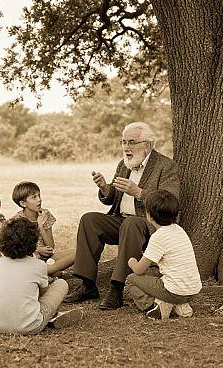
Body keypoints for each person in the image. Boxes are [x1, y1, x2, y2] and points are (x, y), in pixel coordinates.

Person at [65, 121, 180, 310]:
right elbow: (112, 198)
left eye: (131, 142)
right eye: (123, 142)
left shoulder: (165, 166)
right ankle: (87, 285)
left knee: (132, 224)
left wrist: (139, 192)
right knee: (89, 219)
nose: (126, 147)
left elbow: (171, 201)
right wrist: (104, 187)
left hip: (148, 224)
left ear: (148, 145)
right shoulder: (124, 164)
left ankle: (117, 289)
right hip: (121, 220)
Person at [0, 217, 83, 335]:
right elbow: (43, 293)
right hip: (29, 325)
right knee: (61, 284)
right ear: (33, 242)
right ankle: (49, 316)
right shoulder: (38, 265)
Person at [126, 190, 202, 319]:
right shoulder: (179, 230)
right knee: (155, 275)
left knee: (131, 279)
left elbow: (139, 270)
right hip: (193, 290)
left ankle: (155, 306)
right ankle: (180, 305)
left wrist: (131, 261)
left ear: (149, 216)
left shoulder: (158, 236)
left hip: (174, 291)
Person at [12, 181, 75, 275]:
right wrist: (37, 250)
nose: (39, 200)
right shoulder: (17, 220)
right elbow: (16, 247)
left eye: (39, 195)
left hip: (48, 258)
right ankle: (49, 271)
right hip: (29, 259)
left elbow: (50, 246)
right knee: (46, 266)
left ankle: (49, 271)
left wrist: (41, 226)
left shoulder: (45, 214)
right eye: (34, 197)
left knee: (79, 252)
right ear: (23, 203)